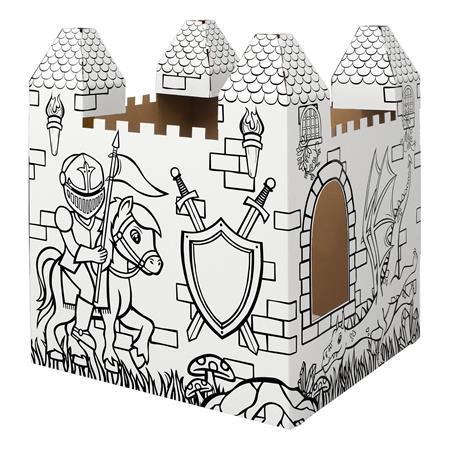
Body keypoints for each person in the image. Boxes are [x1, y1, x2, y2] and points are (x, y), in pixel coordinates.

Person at [55, 153, 107, 349]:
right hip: (73, 264)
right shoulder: (64, 216)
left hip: (93, 263)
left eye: (93, 197)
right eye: (82, 197)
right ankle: (80, 329)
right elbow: (73, 249)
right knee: (88, 289)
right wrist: (93, 255)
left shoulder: (100, 221)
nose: (87, 203)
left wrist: (105, 255)